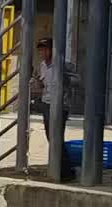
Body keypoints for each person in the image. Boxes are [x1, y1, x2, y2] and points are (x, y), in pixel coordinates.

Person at [31, 38, 79, 181]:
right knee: (51, 137)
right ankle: (63, 170)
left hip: (60, 105)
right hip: (47, 103)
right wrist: (38, 84)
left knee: (56, 137)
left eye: (45, 49)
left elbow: (77, 81)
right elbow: (43, 84)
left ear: (53, 50)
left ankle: (66, 172)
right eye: (40, 50)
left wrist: (63, 78)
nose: (42, 52)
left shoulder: (64, 64)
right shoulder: (42, 65)